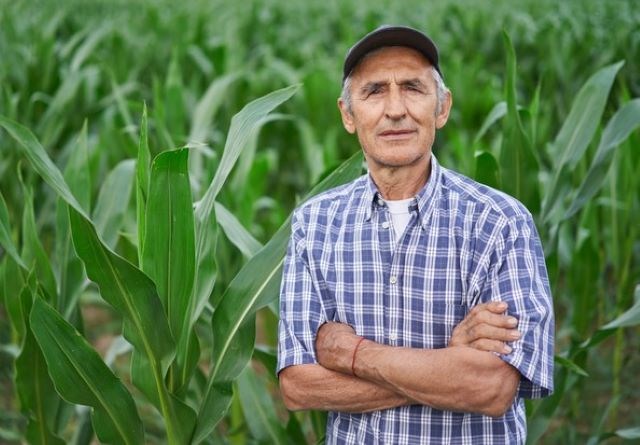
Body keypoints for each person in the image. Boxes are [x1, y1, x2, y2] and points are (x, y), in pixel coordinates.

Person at [277, 25, 554, 444]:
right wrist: (448, 364)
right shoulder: (314, 225)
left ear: (441, 108)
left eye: (412, 87)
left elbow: (492, 387)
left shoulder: (499, 222)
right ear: (348, 115)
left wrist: (351, 354)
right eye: (374, 91)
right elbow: (298, 386)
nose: (395, 109)